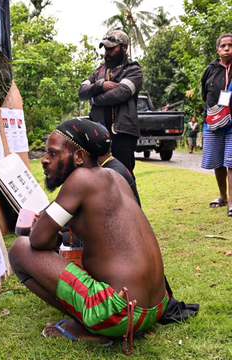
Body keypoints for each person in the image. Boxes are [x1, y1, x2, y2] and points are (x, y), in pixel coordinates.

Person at [9, 118, 167, 355]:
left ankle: (88, 328)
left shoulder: (81, 179)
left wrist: (46, 231)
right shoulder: (117, 177)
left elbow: (37, 241)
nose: (44, 160)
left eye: (52, 153)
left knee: (19, 250)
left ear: (79, 157)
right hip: (156, 306)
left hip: (122, 313)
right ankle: (97, 321)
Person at [78, 30, 143, 177]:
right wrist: (100, 86)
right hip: (98, 132)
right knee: (98, 176)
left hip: (122, 133)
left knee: (123, 176)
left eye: (111, 48)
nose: (107, 52)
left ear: (124, 47)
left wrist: (94, 99)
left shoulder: (134, 70)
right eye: (106, 49)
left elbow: (120, 94)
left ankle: (132, 201)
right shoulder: (99, 71)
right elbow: (82, 91)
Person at [201, 33, 232, 215]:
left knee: (231, 161)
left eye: (230, 45)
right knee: (217, 161)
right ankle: (223, 196)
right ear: (217, 49)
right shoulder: (210, 69)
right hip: (213, 121)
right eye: (223, 46)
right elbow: (204, 93)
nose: (227, 48)